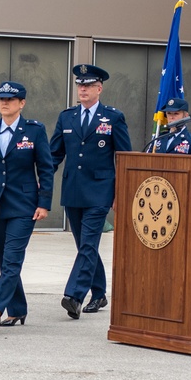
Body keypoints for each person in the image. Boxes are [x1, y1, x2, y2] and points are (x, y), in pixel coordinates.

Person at [0, 81, 54, 329]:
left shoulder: (35, 130)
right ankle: (18, 309)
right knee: (4, 260)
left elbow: (46, 169)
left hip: (23, 205)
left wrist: (44, 203)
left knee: (12, 260)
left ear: (22, 103)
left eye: (10, 99)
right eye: (1, 99)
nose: (4, 103)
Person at [50, 64, 131, 318]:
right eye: (79, 85)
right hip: (73, 189)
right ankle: (99, 293)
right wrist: (39, 181)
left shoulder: (113, 117)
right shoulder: (67, 117)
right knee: (85, 246)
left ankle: (74, 294)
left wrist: (121, 193)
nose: (82, 89)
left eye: (87, 85)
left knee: (88, 244)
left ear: (99, 88)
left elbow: (124, 157)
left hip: (100, 191)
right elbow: (54, 154)